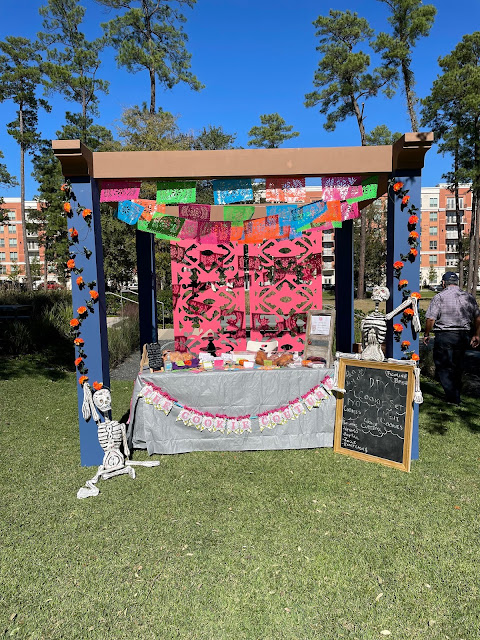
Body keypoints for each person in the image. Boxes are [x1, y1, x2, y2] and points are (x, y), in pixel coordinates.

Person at [424, 271, 480, 404]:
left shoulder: (440, 297)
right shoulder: (468, 297)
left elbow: (431, 319)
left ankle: (452, 397)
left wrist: (426, 333)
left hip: (445, 335)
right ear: (457, 283)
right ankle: (455, 394)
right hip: (462, 336)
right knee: (458, 366)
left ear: (443, 283)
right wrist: (477, 334)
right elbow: (477, 318)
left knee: (443, 366)